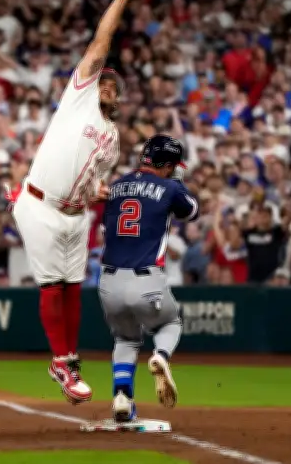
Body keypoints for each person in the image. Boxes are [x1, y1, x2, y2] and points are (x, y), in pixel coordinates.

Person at [5, 0, 153, 405]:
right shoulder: (80, 96)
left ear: (120, 98)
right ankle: (61, 362)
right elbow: (100, 44)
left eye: (112, 84)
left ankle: (67, 361)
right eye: (102, 79)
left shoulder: (114, 139)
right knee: (53, 287)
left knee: (72, 290)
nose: (105, 84)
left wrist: (100, 191)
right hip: (40, 203)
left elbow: (94, 186)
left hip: (73, 214)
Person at [99, 134, 199, 423]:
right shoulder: (169, 187)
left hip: (108, 281)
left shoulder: (116, 186)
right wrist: (177, 181)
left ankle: (122, 397)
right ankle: (161, 356)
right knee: (171, 322)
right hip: (146, 278)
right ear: (168, 164)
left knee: (126, 339)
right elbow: (191, 212)